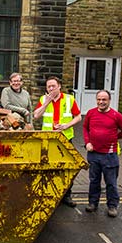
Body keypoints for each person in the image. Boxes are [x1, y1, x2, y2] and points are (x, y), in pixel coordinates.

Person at [33, 76, 82, 207]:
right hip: (49, 139)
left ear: (59, 86)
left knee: (66, 168)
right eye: (48, 87)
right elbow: (36, 116)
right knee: (48, 167)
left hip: (65, 138)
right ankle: (50, 194)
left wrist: (67, 125)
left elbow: (78, 117)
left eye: (53, 86)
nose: (50, 89)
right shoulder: (43, 99)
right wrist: (46, 103)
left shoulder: (69, 99)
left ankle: (67, 195)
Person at [83, 90, 122, 218]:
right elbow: (85, 128)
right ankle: (93, 203)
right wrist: (87, 142)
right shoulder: (91, 113)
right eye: (99, 99)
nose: (101, 102)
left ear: (109, 100)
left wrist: (113, 138)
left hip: (109, 155)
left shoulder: (116, 115)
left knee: (111, 182)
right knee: (94, 181)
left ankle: (112, 206)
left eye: (104, 99)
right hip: (93, 154)